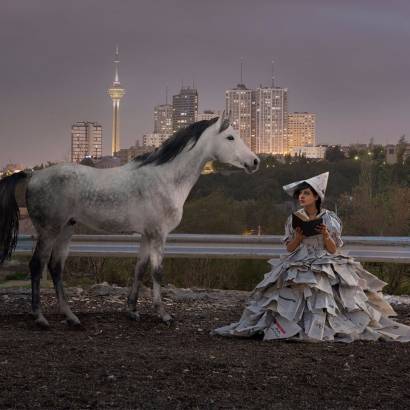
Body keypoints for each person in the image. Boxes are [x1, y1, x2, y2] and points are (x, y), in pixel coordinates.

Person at [212, 172, 410, 342]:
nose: (301, 197)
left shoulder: (330, 219)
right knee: (290, 287)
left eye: (306, 193)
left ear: (316, 197)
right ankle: (292, 326)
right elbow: (289, 248)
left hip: (324, 259)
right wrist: (298, 237)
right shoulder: (293, 218)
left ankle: (322, 327)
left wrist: (324, 235)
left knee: (324, 290)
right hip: (299, 258)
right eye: (300, 193)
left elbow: (333, 250)